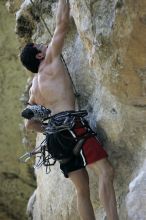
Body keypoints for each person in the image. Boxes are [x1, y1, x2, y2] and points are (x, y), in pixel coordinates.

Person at [20, 0, 119, 219]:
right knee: (106, 172)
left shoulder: (34, 90)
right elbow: (62, 23)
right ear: (39, 56)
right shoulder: (51, 60)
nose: (45, 45)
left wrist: (50, 130)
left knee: (81, 190)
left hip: (55, 140)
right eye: (40, 46)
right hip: (73, 128)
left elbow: (29, 123)